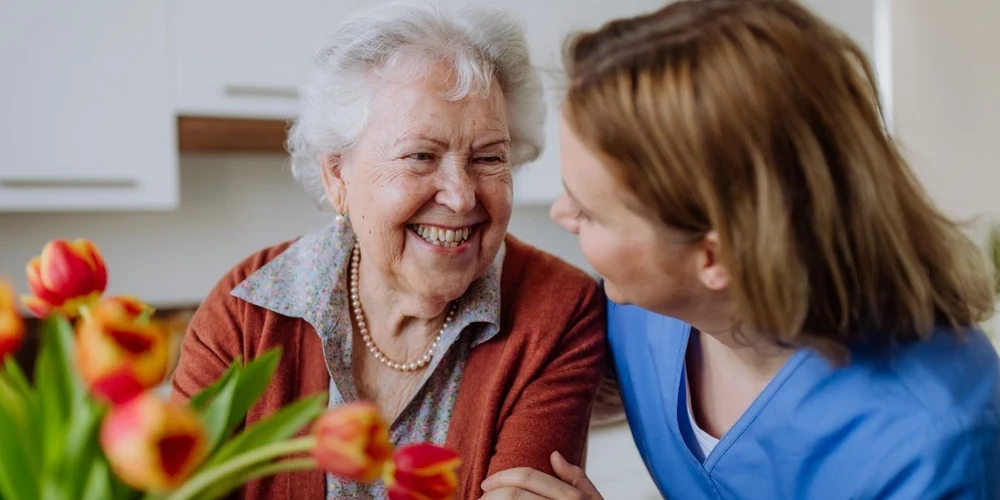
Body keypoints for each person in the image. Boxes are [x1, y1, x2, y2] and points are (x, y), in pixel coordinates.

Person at [480, 0, 1000, 498]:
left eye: (589, 211)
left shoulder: (933, 445)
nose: (560, 215)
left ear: (715, 258)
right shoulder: (642, 318)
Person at [170, 2, 607, 499]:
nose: (461, 195)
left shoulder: (558, 313)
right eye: (421, 156)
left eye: (489, 157)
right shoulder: (246, 312)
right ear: (338, 174)